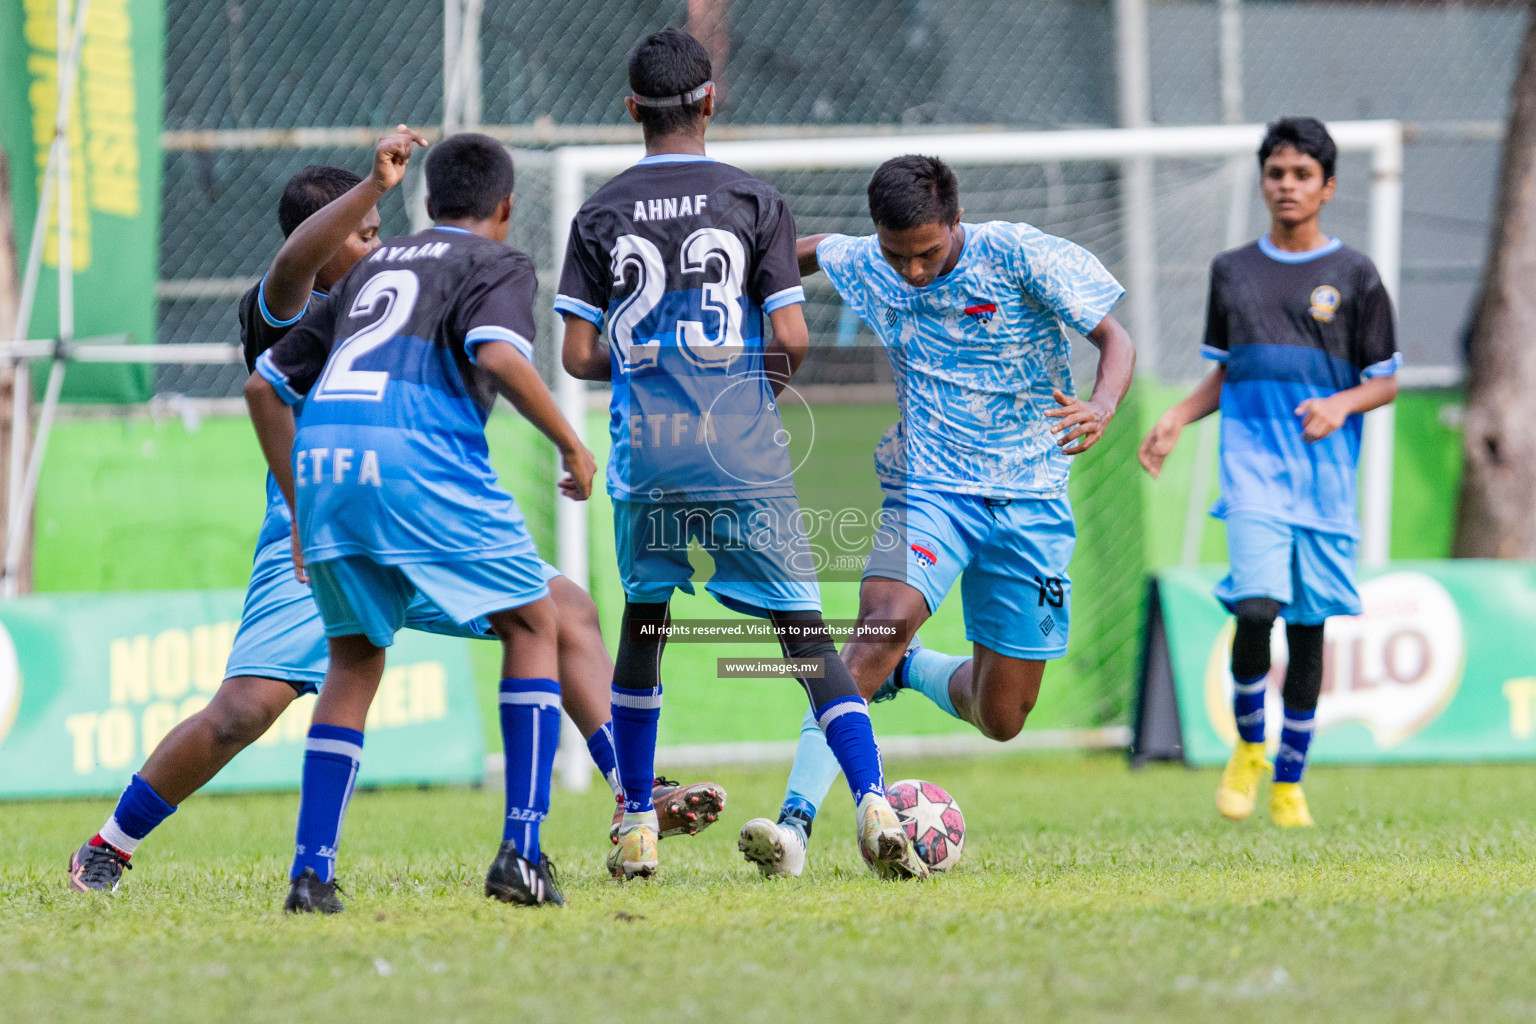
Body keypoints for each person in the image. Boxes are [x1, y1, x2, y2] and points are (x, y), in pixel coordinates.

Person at [68, 131, 725, 898]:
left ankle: (631, 797)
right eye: (364, 231)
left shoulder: (397, 286)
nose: (379, 239)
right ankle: (110, 844)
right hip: (317, 526)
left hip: (417, 507)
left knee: (566, 611)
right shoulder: (286, 306)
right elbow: (290, 275)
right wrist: (373, 187)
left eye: (380, 228)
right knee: (243, 711)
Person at [557, 29, 926, 883]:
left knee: (645, 628)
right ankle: (873, 803)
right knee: (804, 637)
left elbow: (578, 356)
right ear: (711, 100)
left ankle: (637, 825)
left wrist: (657, 360)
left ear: (631, 110)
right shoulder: (755, 201)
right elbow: (791, 336)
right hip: (741, 451)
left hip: (649, 453)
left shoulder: (599, 212)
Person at [737, 153, 1136, 876]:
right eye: (898, 256)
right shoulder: (872, 263)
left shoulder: (1018, 254)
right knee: (870, 639)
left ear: (955, 222)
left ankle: (910, 670)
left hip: (1030, 502)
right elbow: (804, 253)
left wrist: (1103, 404)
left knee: (1002, 716)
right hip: (929, 488)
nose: (913, 272)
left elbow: (1115, 338)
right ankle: (794, 828)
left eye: (927, 253)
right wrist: (728, 275)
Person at [245, 131, 602, 912]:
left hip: (329, 468)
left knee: (355, 658)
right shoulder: (495, 262)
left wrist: (302, 510)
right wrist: (572, 441)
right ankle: (523, 851)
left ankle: (311, 875)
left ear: (427, 203)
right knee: (536, 623)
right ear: (505, 208)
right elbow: (501, 357)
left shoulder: (369, 266)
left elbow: (264, 389)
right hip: (416, 457)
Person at [1138, 116, 1400, 827]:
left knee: (1309, 633)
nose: (1287, 186)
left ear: (1328, 187)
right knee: (1255, 609)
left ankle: (1289, 782)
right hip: (1251, 472)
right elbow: (1225, 373)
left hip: (1324, 483)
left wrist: (1340, 405)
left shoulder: (1356, 275)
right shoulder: (1232, 271)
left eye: (1302, 175)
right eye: (1277, 173)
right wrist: (1175, 418)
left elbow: (1384, 381)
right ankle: (1249, 747)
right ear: (1263, 181)